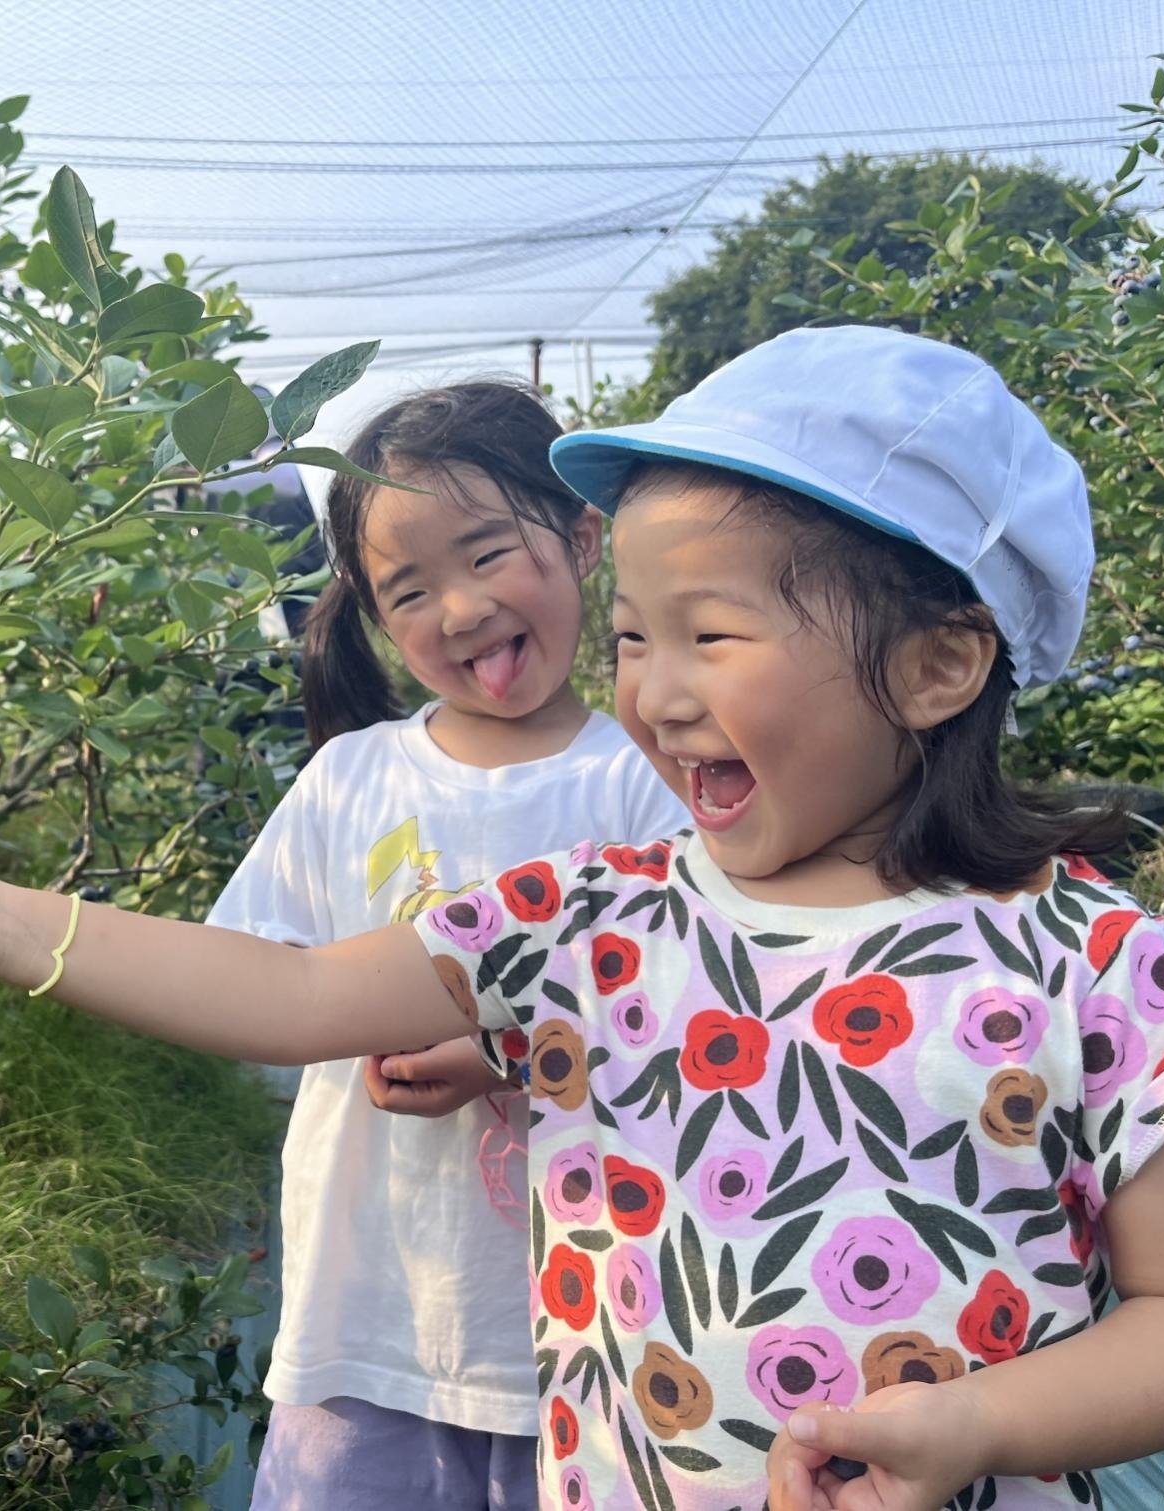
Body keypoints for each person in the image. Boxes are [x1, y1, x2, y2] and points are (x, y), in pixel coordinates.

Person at [0, 326, 1164, 1511]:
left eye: (709, 633)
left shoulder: (1080, 953)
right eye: (630, 637)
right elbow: (292, 993)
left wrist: (979, 1422)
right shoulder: (591, 917)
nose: (651, 690)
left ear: (938, 665)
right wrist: (7, 920)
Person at [205, 381, 686, 1511]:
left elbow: (689, 1017)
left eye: (486, 555)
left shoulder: (642, 780)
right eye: (409, 591)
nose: (459, 610)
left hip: (584, 1342)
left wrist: (504, 1055)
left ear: (582, 538)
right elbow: (253, 974)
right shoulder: (351, 777)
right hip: (366, 1326)